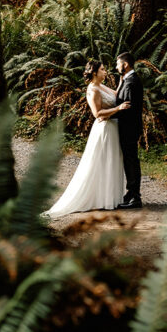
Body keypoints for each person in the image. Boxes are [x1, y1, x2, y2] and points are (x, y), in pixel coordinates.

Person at [44, 59, 130, 217]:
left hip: (113, 128)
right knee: (102, 162)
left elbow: (116, 95)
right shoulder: (92, 90)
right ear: (95, 72)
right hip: (104, 129)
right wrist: (118, 108)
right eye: (103, 69)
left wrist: (121, 81)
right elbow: (97, 113)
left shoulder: (101, 85)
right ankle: (100, 199)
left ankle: (109, 197)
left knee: (111, 162)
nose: (105, 71)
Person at [113, 51, 144, 210]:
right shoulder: (127, 79)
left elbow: (129, 107)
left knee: (131, 161)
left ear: (125, 64)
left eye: (118, 63)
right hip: (127, 127)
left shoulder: (132, 81)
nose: (116, 66)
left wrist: (114, 113)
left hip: (130, 128)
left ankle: (134, 197)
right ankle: (130, 194)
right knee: (129, 160)